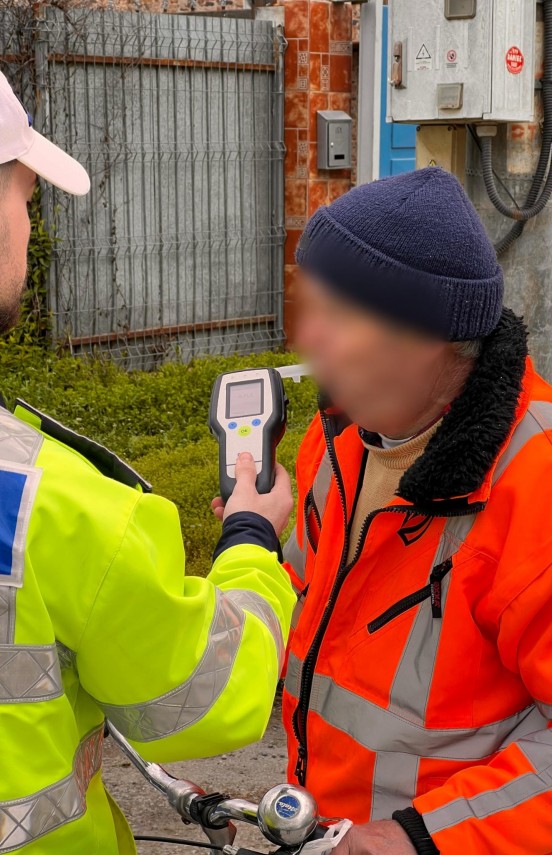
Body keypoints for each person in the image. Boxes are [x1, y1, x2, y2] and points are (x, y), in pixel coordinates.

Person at [282, 167, 552, 855]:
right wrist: (257, 539)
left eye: (338, 316)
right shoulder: (341, 435)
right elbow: (322, 607)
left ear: (427, 339)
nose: (308, 339)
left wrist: (417, 838)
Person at [0, 71, 295, 854]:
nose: (29, 226)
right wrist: (251, 541)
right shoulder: (51, 507)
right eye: (24, 198)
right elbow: (204, 697)